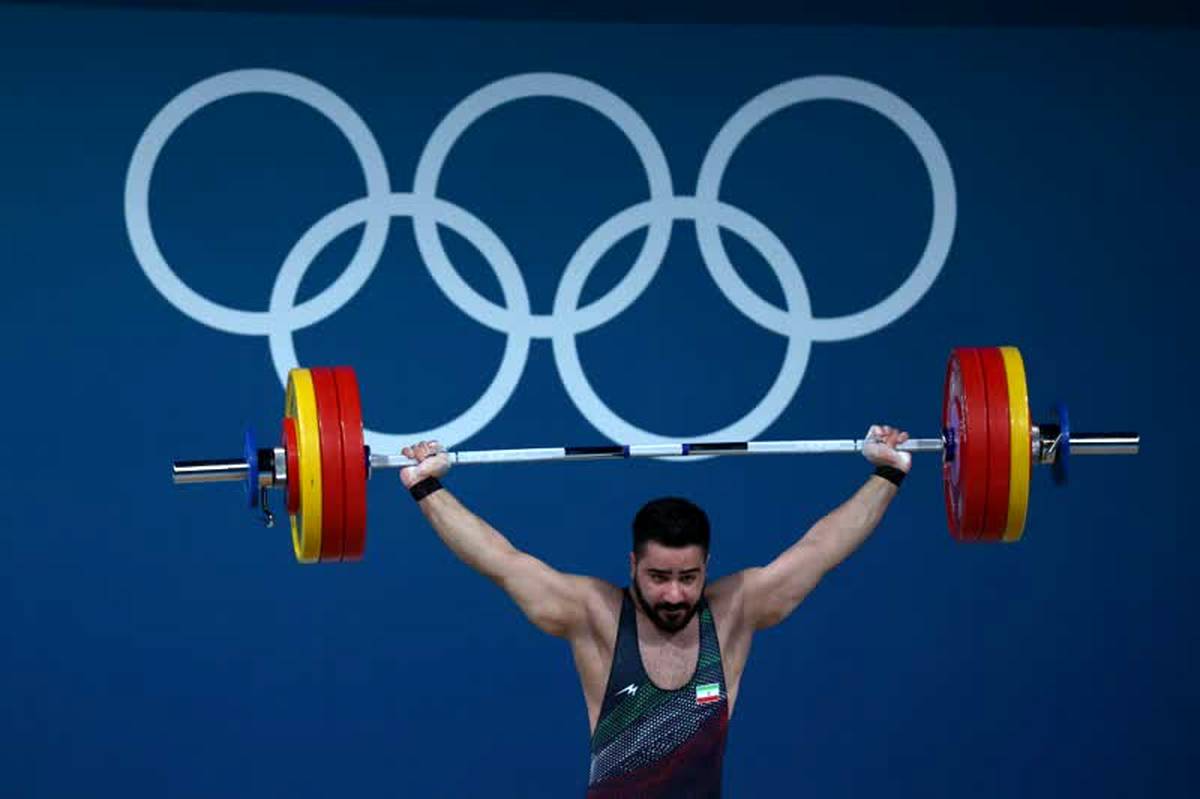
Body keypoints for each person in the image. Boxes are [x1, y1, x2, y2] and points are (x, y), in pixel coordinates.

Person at [399, 425, 912, 798]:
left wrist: (887, 474)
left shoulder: (733, 612)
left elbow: (820, 549)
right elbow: (501, 561)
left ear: (707, 567)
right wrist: (426, 487)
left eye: (688, 578)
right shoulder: (595, 616)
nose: (673, 595)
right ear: (632, 565)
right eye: (658, 577)